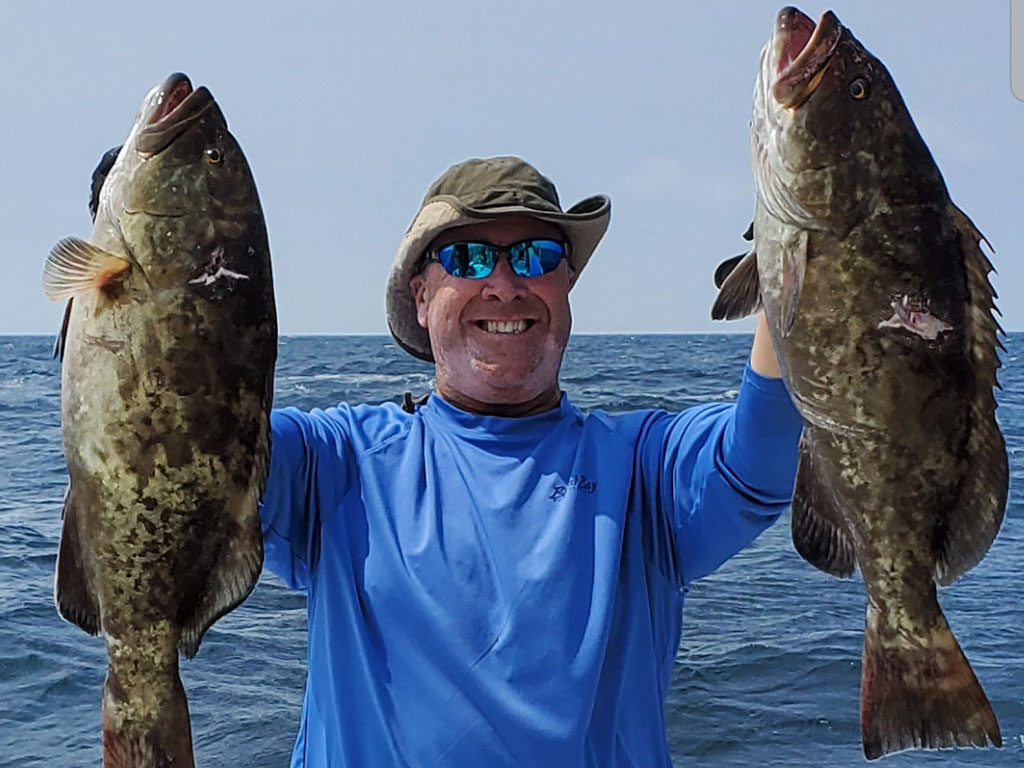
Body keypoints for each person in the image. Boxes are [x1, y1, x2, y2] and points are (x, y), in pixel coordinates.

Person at [260, 156, 803, 767]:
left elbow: (765, 458)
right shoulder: (331, 463)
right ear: (421, 296)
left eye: (534, 256)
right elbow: (187, 447)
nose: (504, 284)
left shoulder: (645, 470)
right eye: (467, 259)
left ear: (565, 281)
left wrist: (798, 246)